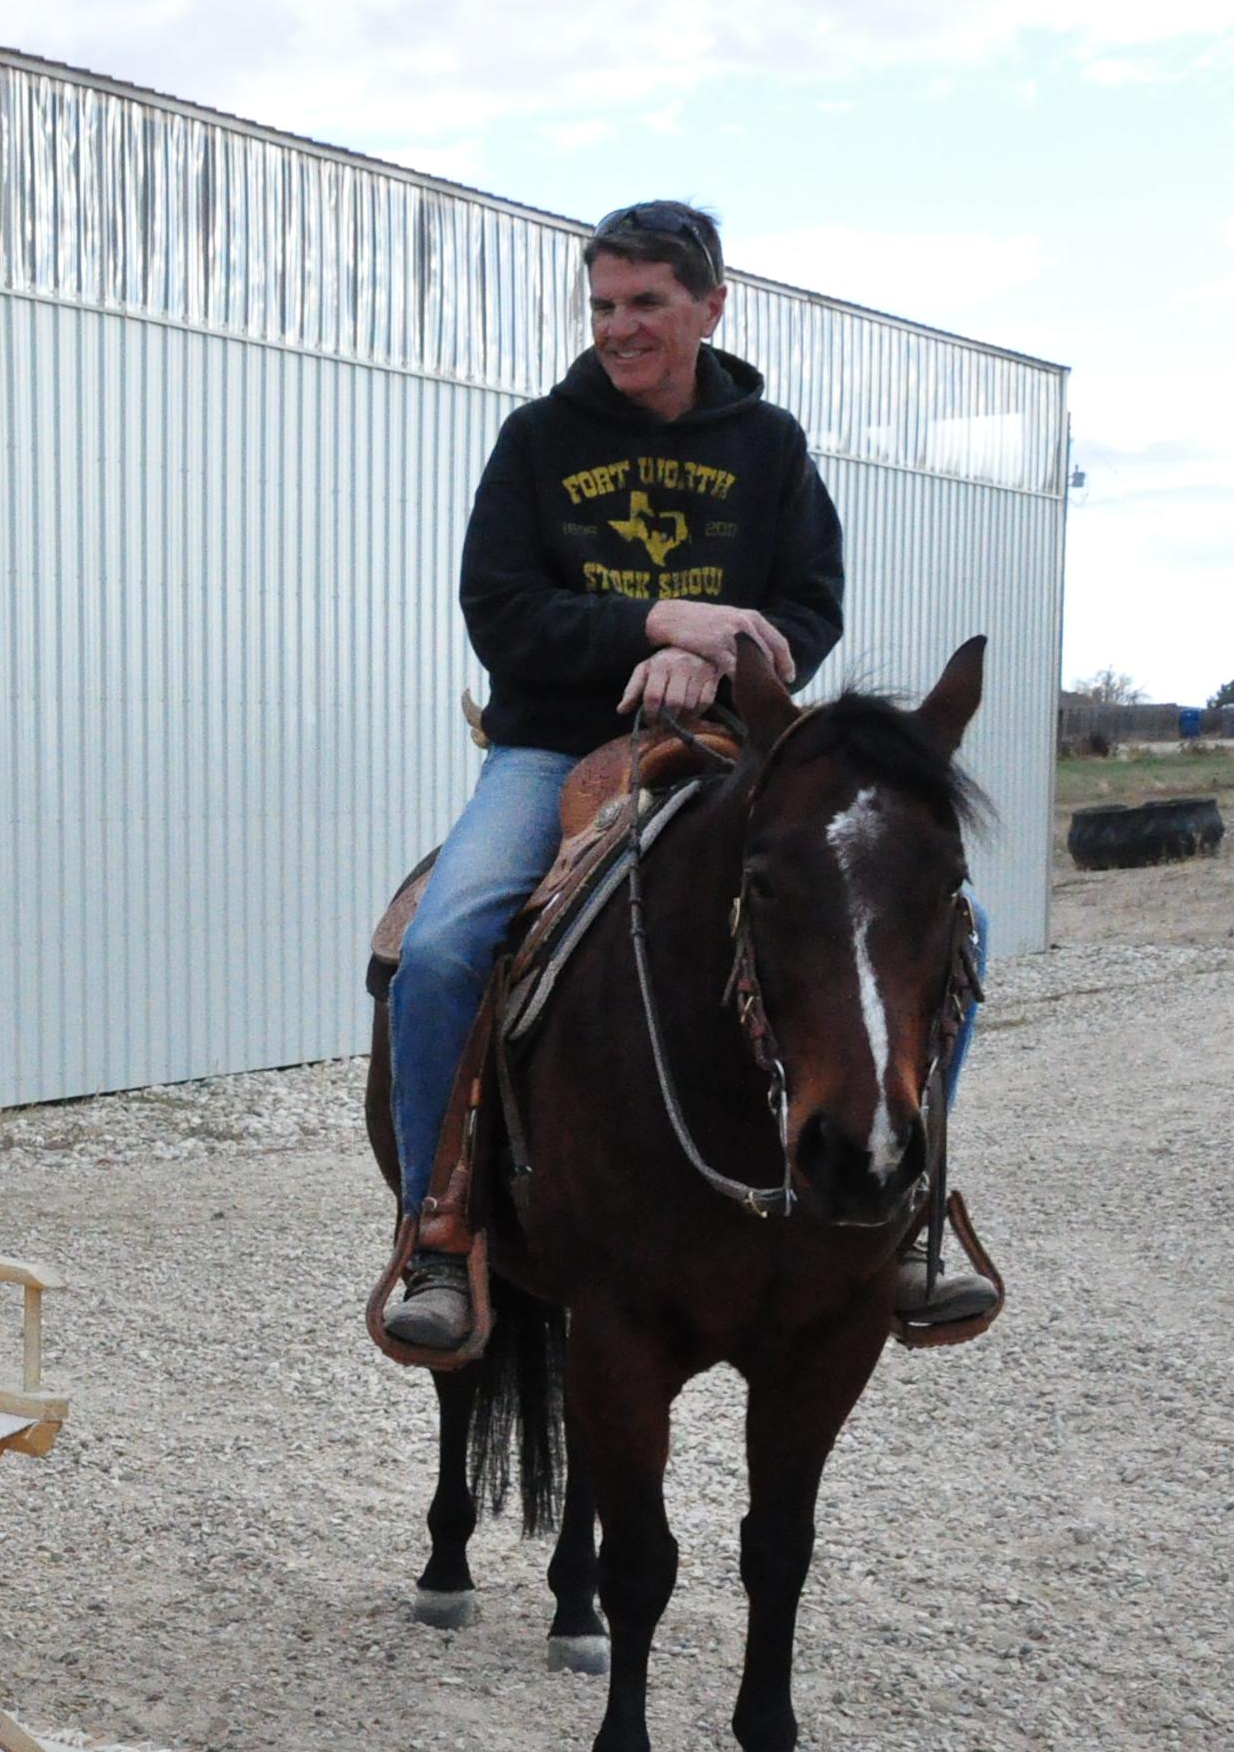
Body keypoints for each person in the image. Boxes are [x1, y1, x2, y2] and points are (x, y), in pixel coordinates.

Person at [383, 199, 999, 1357]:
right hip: (554, 747)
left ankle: (911, 1210)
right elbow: (501, 615)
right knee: (446, 941)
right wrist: (656, 620)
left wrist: (718, 647)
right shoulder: (536, 441)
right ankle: (439, 1226)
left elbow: (811, 606)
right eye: (603, 305)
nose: (619, 329)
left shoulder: (767, 447)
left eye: (646, 304)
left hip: (740, 746)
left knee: (959, 922)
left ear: (711, 306)